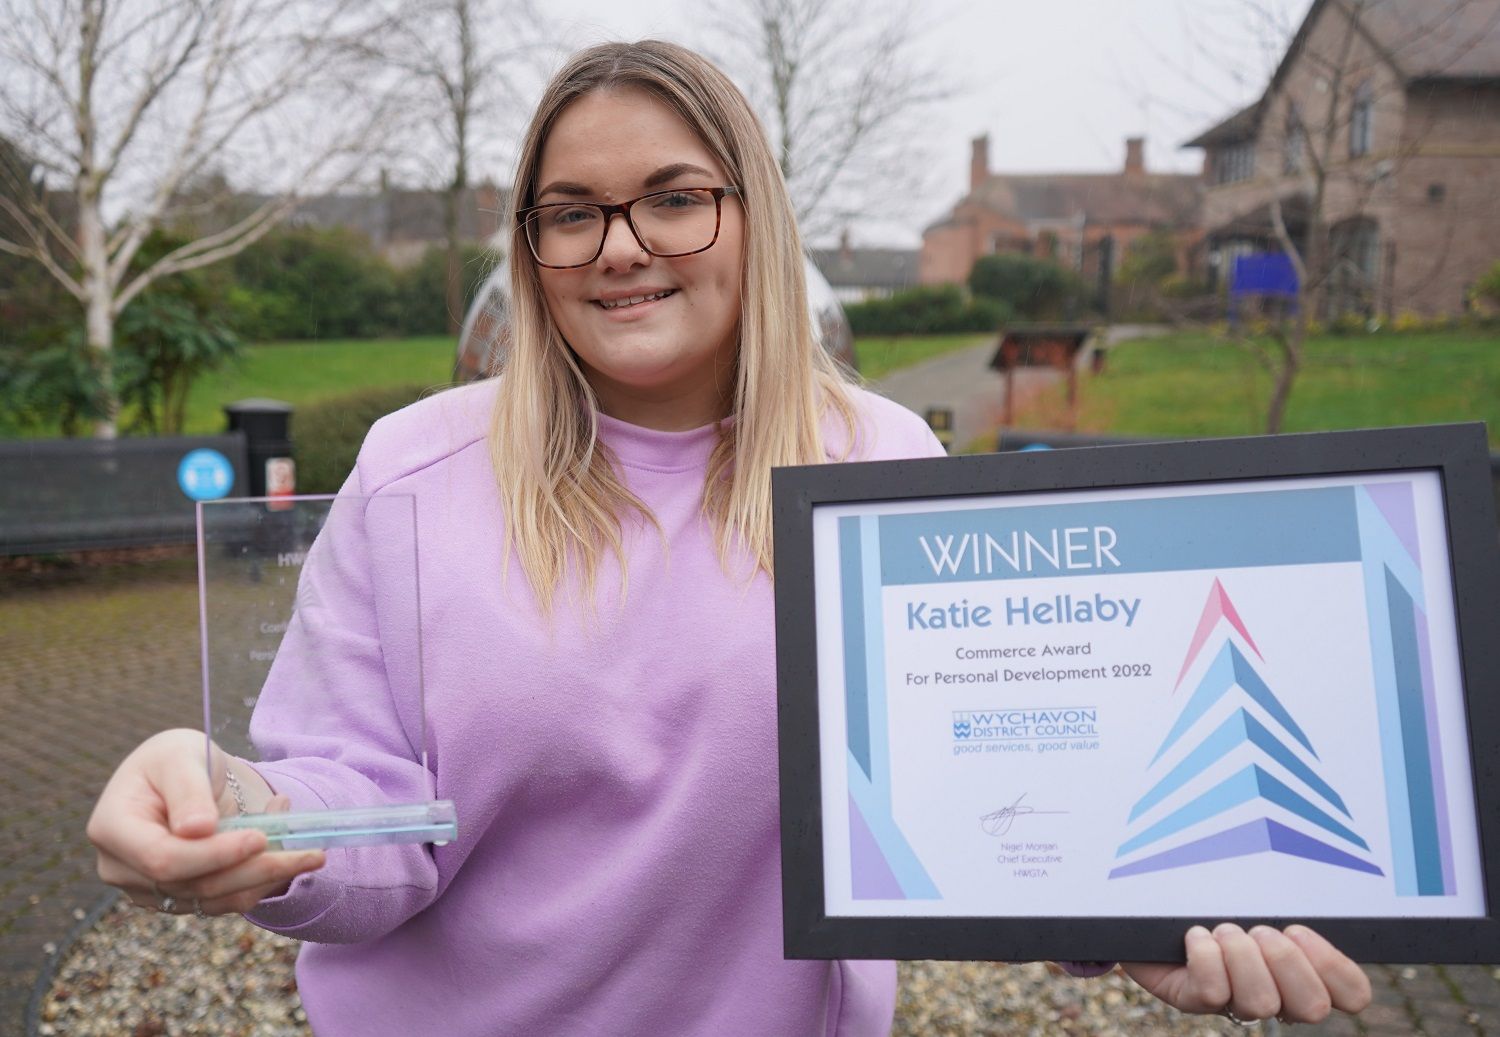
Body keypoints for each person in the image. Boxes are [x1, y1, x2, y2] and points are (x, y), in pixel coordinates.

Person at [87, 40, 1372, 1036]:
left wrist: (1123, 917)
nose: (623, 247)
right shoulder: (417, 468)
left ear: (752, 212)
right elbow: (376, 820)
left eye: (672, 198)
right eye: (571, 211)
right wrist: (231, 806)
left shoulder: (882, 466)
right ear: (531, 247)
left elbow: (973, 798)